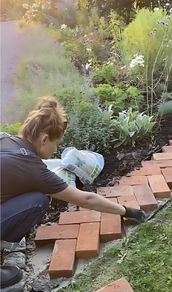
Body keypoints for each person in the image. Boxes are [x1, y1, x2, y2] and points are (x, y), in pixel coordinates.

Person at [0, 96, 146, 289]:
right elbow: (86, 199)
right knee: (39, 200)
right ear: (44, 139)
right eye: (56, 143)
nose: (56, 149)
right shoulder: (32, 168)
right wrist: (127, 211)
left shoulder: (5, 139)